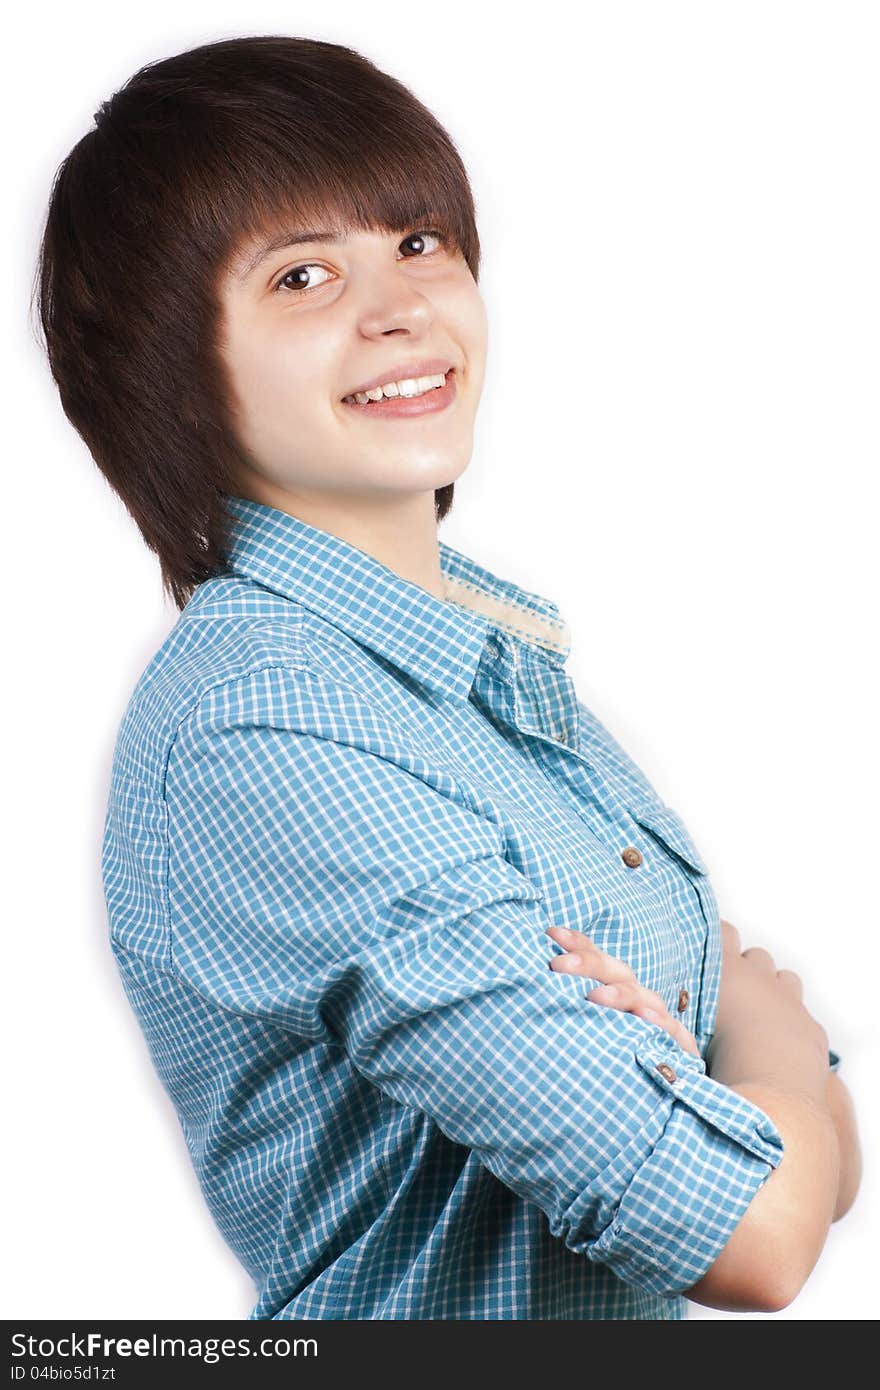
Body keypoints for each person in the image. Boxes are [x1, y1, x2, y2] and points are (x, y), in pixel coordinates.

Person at [34, 34, 861, 1320]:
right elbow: (748, 1229)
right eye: (304, 275)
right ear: (168, 368)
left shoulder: (477, 671)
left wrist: (752, 1088)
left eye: (419, 243)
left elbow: (813, 1171)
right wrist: (771, 1054)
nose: (401, 307)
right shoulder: (272, 727)